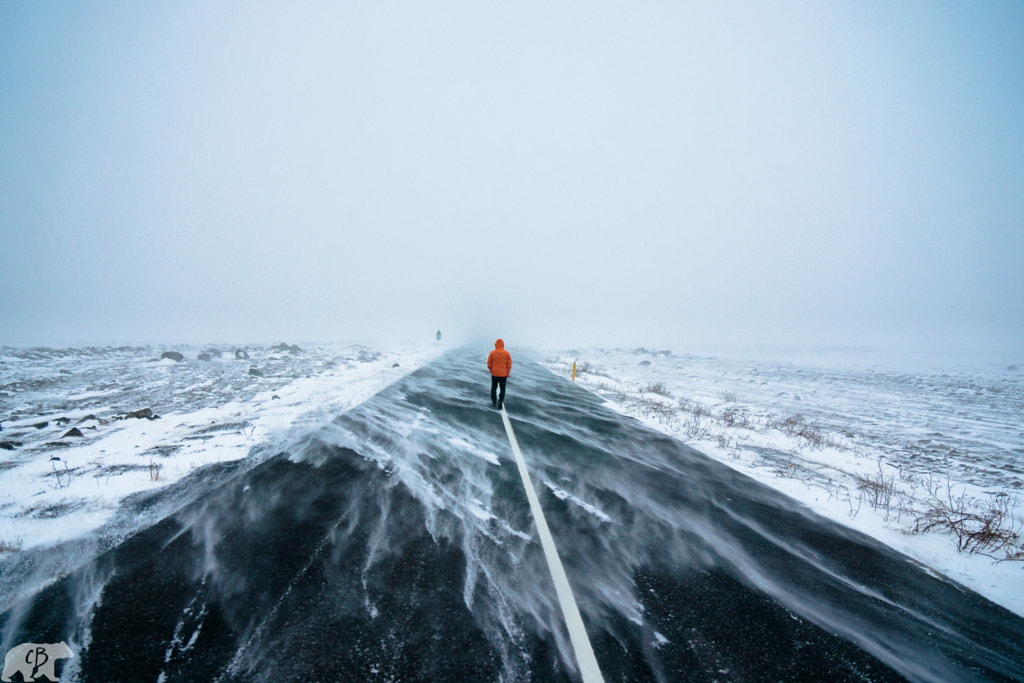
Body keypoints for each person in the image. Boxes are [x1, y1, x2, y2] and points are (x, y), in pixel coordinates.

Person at [487, 339, 512, 409]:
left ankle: (494, 402)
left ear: (496, 345)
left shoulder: (492, 353)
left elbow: (489, 365)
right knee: (502, 388)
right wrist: (507, 373)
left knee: (494, 388)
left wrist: (491, 370)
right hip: (503, 375)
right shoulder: (507, 353)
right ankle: (500, 402)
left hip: (494, 374)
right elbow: (509, 365)